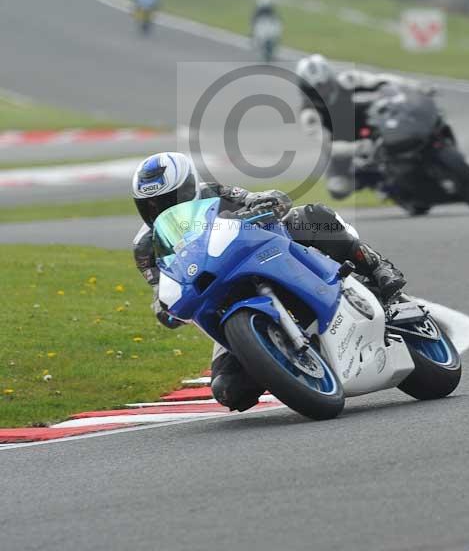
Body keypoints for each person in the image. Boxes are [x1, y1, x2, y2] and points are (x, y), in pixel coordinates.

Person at [132, 152, 406, 412]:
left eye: (169, 199)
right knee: (227, 390)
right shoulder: (146, 246)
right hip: (221, 298)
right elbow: (161, 287)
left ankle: (377, 266)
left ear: (189, 187)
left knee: (310, 217)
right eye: (150, 204)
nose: (159, 208)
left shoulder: (213, 192)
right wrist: (163, 307)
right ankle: (278, 360)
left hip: (261, 254)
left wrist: (266, 203)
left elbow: (256, 199)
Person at [295, 54, 423, 199]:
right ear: (306, 88)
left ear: (331, 78)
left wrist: (416, 87)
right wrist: (358, 147)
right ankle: (377, 183)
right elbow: (327, 145)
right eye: (315, 88)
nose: (322, 91)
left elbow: (381, 80)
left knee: (387, 108)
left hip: (368, 121)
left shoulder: (347, 80)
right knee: (338, 188)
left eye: (325, 85)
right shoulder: (308, 114)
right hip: (343, 144)